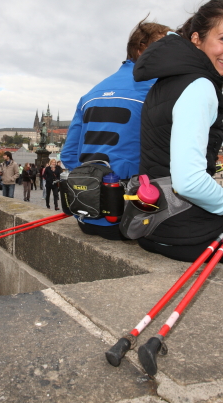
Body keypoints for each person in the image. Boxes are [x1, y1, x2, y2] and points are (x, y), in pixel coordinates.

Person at [133, 0, 223, 266]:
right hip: (183, 229)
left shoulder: (167, 80)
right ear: (197, 39)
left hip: (152, 222)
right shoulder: (199, 86)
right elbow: (188, 182)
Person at [61, 18, 170, 240]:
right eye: (165, 49)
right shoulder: (158, 92)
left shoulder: (90, 93)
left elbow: (69, 155)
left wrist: (95, 182)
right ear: (142, 49)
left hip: (86, 216)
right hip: (132, 220)